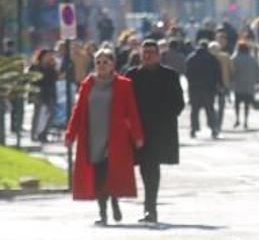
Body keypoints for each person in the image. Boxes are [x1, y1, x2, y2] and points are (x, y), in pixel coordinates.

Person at [65, 49, 143, 226]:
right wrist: (70, 134)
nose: (101, 66)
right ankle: (103, 213)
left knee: (111, 173)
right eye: (98, 62)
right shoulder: (87, 84)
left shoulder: (124, 84)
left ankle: (114, 201)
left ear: (113, 65)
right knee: (98, 176)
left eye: (105, 62)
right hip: (93, 137)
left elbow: (132, 112)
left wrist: (137, 135)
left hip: (115, 139)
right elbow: (78, 111)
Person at [125, 40, 185, 223]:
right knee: (144, 167)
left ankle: (150, 208)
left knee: (151, 167)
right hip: (138, 129)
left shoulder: (169, 75)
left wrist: (164, 118)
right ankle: (120, 205)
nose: (148, 55)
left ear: (158, 55)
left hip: (159, 130)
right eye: (145, 52)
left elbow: (178, 103)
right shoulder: (132, 75)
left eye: (151, 52)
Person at [184, 41, 222, 139]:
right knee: (210, 109)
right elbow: (218, 73)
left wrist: (191, 83)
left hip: (194, 88)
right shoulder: (212, 58)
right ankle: (213, 128)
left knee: (194, 110)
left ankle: (193, 129)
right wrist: (219, 85)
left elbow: (187, 73)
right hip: (209, 88)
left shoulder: (191, 58)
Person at [231, 41, 259, 130]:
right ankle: (245, 121)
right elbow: (258, 70)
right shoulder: (252, 59)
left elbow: (231, 71)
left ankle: (237, 119)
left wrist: (230, 82)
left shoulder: (235, 58)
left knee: (237, 103)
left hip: (238, 85)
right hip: (249, 85)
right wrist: (258, 81)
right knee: (246, 104)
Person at [30, 49, 58, 143]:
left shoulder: (52, 67)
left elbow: (55, 80)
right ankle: (34, 134)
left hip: (49, 93)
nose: (49, 57)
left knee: (51, 113)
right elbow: (32, 80)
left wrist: (54, 66)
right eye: (47, 55)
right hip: (38, 93)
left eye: (50, 55)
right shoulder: (35, 67)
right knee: (37, 114)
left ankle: (43, 133)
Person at [208, 41, 233, 133]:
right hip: (224, 84)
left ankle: (214, 123)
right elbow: (232, 70)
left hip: (211, 85)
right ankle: (218, 124)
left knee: (210, 105)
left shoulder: (208, 58)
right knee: (221, 105)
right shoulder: (225, 56)